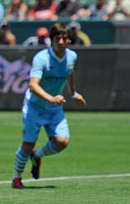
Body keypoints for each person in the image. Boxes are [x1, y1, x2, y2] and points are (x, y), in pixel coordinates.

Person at [11, 22, 87, 189]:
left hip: (53, 108)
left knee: (62, 141)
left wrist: (73, 93)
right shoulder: (41, 58)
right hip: (35, 106)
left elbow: (70, 71)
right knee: (28, 143)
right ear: (52, 40)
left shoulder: (71, 57)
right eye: (57, 38)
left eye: (64, 38)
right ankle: (16, 177)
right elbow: (33, 85)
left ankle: (37, 156)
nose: (61, 42)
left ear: (69, 40)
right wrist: (51, 98)